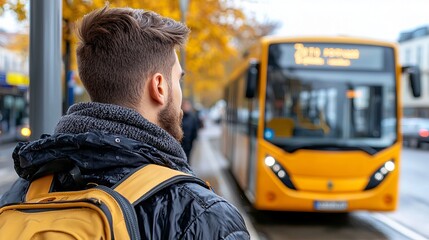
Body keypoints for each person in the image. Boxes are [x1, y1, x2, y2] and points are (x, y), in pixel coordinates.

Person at [0, 5, 250, 239]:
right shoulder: (201, 214)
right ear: (159, 87)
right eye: (178, 80)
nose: (180, 91)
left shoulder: (20, 194)